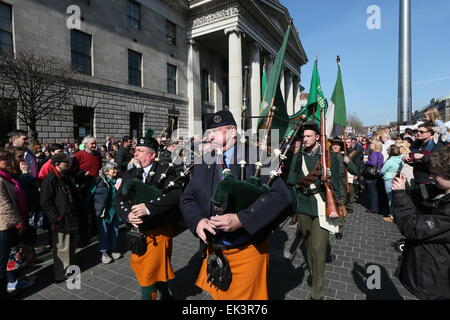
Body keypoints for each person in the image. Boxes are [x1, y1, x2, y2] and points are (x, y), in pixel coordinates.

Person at [180, 110, 292, 300]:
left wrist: (242, 219)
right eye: (208, 132)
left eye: (215, 130)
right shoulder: (204, 160)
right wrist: (197, 220)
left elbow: (282, 197)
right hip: (214, 251)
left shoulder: (257, 156)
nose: (210, 136)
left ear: (233, 131)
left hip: (246, 249)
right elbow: (187, 197)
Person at [115, 131, 183, 300]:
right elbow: (118, 198)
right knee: (149, 269)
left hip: (158, 230)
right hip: (138, 233)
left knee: (148, 273)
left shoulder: (166, 170)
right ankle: (166, 295)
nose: (136, 153)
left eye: (141, 150)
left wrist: (149, 208)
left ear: (152, 155)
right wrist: (128, 215)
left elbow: (175, 196)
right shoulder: (130, 172)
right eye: (136, 150)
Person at [284, 122, 343, 300]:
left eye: (309, 136)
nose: (305, 139)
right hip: (303, 206)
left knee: (318, 249)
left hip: (323, 206)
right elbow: (291, 180)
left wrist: (337, 207)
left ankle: (317, 292)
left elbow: (337, 184)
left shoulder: (329, 156)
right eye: (304, 136)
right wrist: (294, 154)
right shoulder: (299, 155)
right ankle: (313, 272)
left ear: (318, 137)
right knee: (309, 245)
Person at [392, 146, 450, 300]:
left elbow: (413, 227)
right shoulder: (443, 192)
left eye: (435, 174)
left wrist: (399, 195)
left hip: (435, 277)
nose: (431, 177)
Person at [40, 153, 80, 283]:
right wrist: (56, 218)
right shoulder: (50, 179)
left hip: (70, 216)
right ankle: (61, 273)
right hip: (60, 219)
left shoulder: (66, 176)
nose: (68, 164)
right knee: (62, 247)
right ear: (57, 164)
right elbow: (46, 203)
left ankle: (70, 268)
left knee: (71, 245)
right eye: (65, 163)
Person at [0, 149, 33, 299]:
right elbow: (4, 206)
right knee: (4, 258)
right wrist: (19, 223)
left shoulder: (4, 176)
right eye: (4, 159)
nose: (8, 161)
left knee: (12, 256)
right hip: (4, 225)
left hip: (9, 224)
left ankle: (12, 282)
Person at [403, 122, 446, 213]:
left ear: (430, 132)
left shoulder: (438, 145)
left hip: (430, 182)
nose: (418, 133)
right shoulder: (419, 144)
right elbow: (420, 163)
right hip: (418, 181)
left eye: (421, 132)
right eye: (417, 131)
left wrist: (422, 157)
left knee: (427, 209)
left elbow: (439, 162)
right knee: (418, 207)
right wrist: (410, 161)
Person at [73, 136, 102, 247]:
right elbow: (73, 171)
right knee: (83, 212)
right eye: (92, 144)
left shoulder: (98, 155)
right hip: (83, 187)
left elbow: (99, 168)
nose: (94, 146)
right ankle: (83, 236)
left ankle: (96, 231)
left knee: (96, 209)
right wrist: (82, 174)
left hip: (96, 185)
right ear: (85, 144)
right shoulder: (78, 156)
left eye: (95, 143)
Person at [329, 137, 358, 239]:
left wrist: (348, 162)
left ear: (340, 146)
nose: (335, 146)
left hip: (340, 188)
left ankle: (339, 229)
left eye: (337, 144)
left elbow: (355, 171)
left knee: (340, 208)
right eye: (333, 144)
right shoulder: (326, 156)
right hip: (328, 188)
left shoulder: (344, 157)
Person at [93, 162, 122, 264]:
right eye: (113, 169)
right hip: (104, 212)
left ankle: (112, 249)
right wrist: (97, 211)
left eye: (116, 169)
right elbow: (97, 197)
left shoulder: (117, 181)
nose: (115, 171)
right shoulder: (102, 182)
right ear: (106, 172)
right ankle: (104, 252)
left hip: (115, 211)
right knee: (104, 232)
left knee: (115, 230)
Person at [380, 145, 403, 223]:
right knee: (395, 197)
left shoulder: (390, 161)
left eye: (388, 149)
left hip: (388, 179)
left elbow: (382, 171)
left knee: (390, 198)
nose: (387, 150)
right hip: (396, 178)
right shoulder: (400, 159)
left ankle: (392, 215)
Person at [362, 140, 384, 214]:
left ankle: (374, 209)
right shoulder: (380, 153)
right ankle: (377, 207)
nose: (370, 144)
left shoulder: (374, 153)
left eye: (372, 143)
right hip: (377, 174)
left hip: (372, 175)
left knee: (372, 193)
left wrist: (366, 161)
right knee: (376, 192)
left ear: (376, 146)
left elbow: (373, 163)